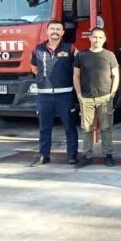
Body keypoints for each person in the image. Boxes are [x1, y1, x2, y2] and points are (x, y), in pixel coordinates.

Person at [29, 20, 78, 166]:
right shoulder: (37, 49)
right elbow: (34, 68)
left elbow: (77, 69)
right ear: (47, 31)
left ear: (62, 32)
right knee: (44, 128)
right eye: (52, 29)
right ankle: (44, 155)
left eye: (58, 29)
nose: (55, 31)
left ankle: (72, 155)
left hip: (65, 95)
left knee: (70, 126)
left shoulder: (70, 49)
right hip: (44, 96)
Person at [73, 27, 119, 167]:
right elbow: (76, 76)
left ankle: (108, 155)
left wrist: (113, 92)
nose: (97, 40)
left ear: (104, 39)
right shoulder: (81, 55)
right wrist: (79, 94)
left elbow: (115, 75)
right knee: (86, 128)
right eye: (94, 37)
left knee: (106, 128)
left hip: (104, 97)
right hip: (86, 98)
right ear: (90, 38)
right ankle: (86, 156)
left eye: (100, 37)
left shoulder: (109, 55)